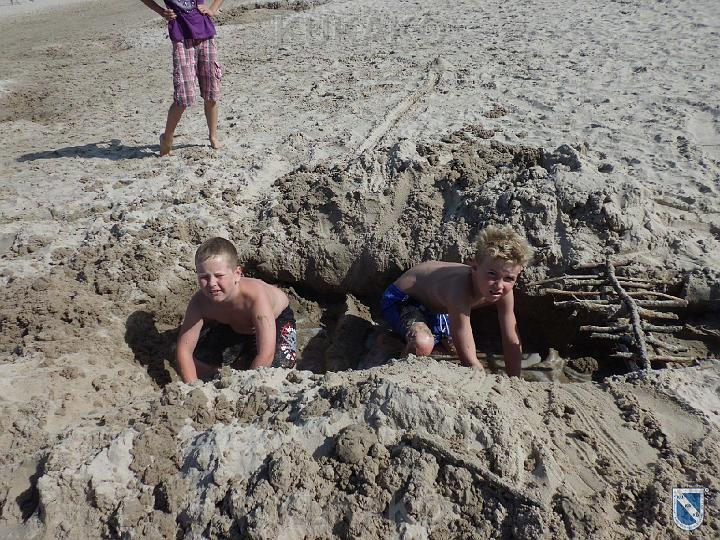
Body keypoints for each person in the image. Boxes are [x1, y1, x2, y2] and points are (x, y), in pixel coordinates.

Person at [380, 226, 533, 376]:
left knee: (454, 349)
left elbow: (510, 337)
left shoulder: (504, 290)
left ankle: (399, 341)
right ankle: (394, 365)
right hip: (403, 299)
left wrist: (515, 379)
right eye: (492, 274)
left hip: (438, 307)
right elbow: (469, 360)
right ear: (474, 267)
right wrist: (480, 376)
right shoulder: (460, 289)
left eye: (509, 278)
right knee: (423, 344)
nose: (499, 285)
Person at [175, 237, 297, 383]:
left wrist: (247, 386)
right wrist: (192, 387)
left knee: (277, 369)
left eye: (219, 276)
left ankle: (246, 361)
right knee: (192, 358)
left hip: (276, 321)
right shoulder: (199, 302)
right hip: (233, 327)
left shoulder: (255, 297)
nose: (212, 283)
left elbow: (266, 354)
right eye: (204, 277)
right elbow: (184, 351)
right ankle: (230, 368)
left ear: (237, 274)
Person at [139, 0, 224, 156]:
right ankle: (167, 138)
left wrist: (213, 9)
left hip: (206, 35)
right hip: (181, 40)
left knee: (211, 93)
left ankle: (213, 136)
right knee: (183, 97)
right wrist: (161, 11)